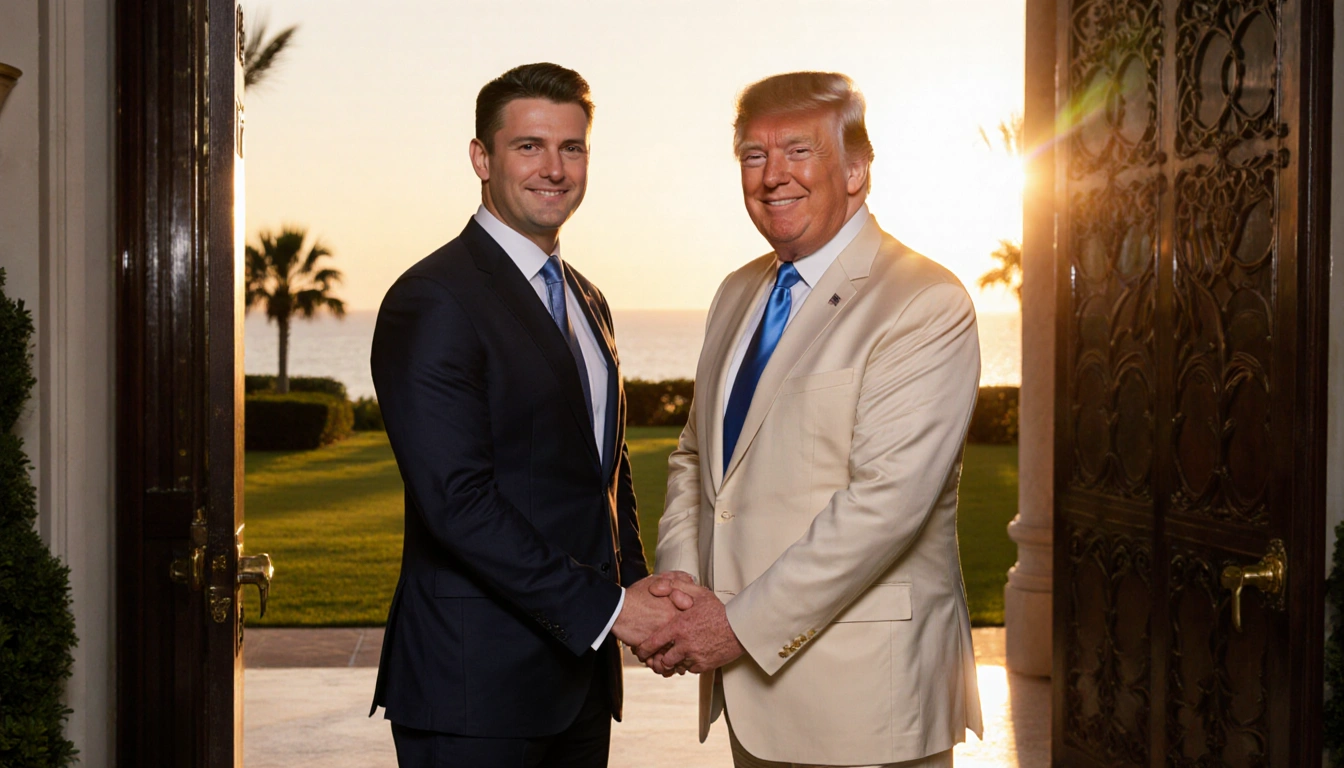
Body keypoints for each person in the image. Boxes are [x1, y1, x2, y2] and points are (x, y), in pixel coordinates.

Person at [640, 71, 985, 767]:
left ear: (857, 169)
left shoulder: (923, 301)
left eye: (799, 151)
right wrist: (684, 593)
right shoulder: (737, 292)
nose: (773, 177)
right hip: (748, 694)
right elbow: (696, 461)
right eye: (753, 156)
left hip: (861, 702)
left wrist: (733, 626)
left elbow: (884, 506)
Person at [369, 62, 691, 768]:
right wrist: (610, 611)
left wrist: (634, 584)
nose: (554, 168)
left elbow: (604, 468)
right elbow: (458, 504)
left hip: (576, 680)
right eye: (529, 146)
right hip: (473, 689)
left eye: (571, 148)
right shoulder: (434, 298)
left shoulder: (586, 297)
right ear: (482, 158)